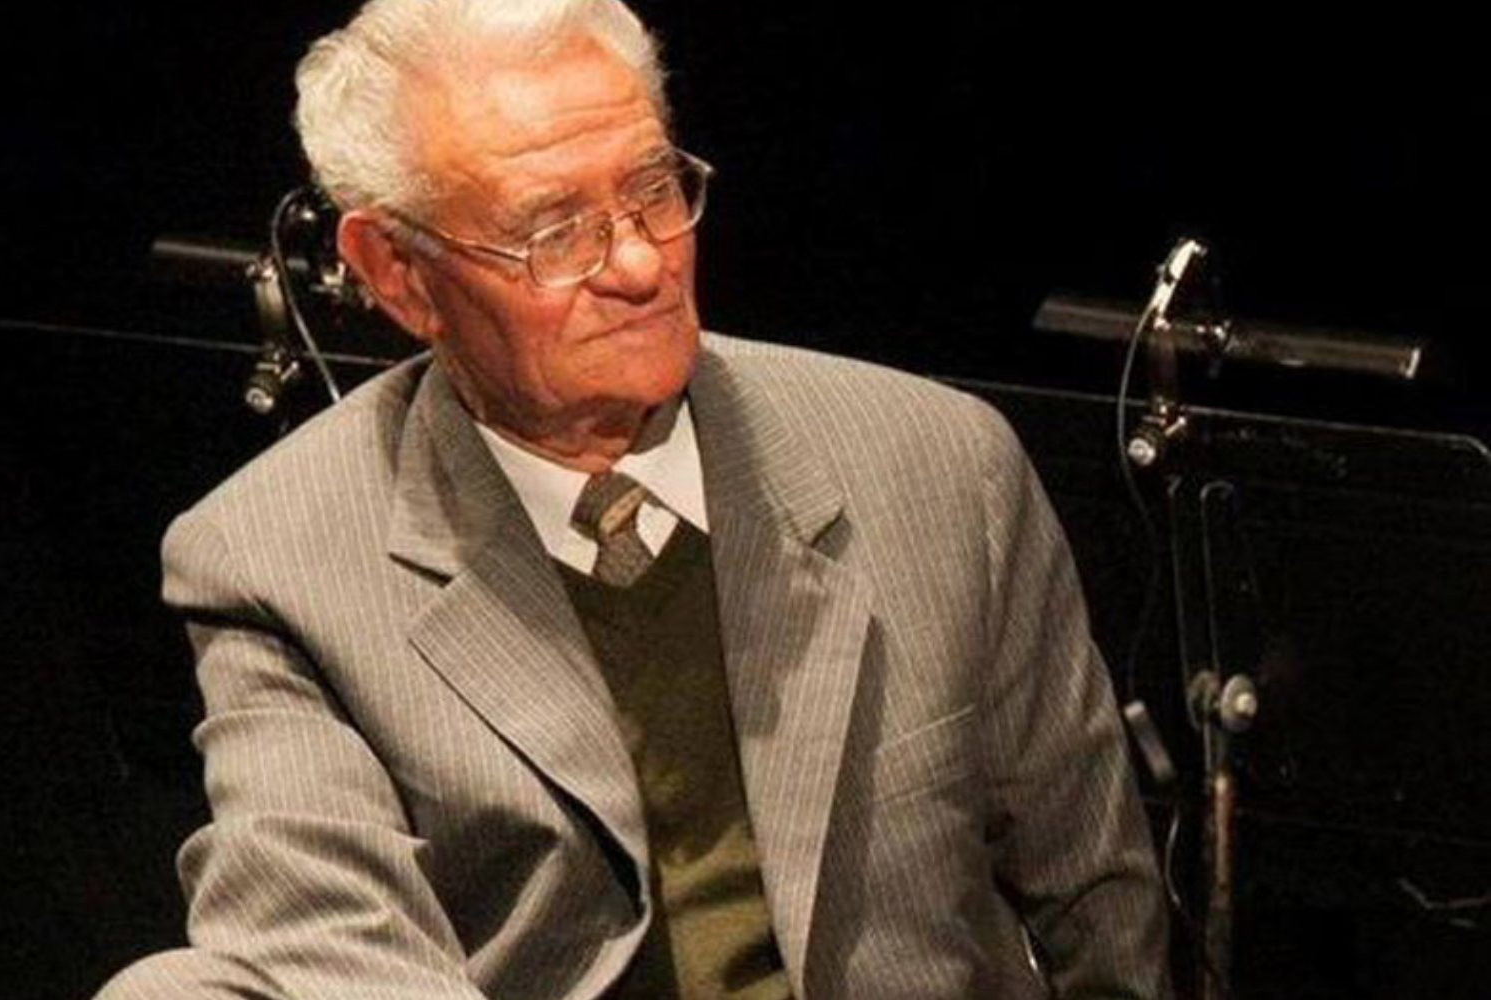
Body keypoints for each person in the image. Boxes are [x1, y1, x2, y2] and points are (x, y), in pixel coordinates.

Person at [98, 0, 1169, 997]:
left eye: (654, 191)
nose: (640, 264)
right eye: (554, 231)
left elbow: (1100, 912)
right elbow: (321, 934)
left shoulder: (938, 468)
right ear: (397, 273)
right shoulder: (274, 557)